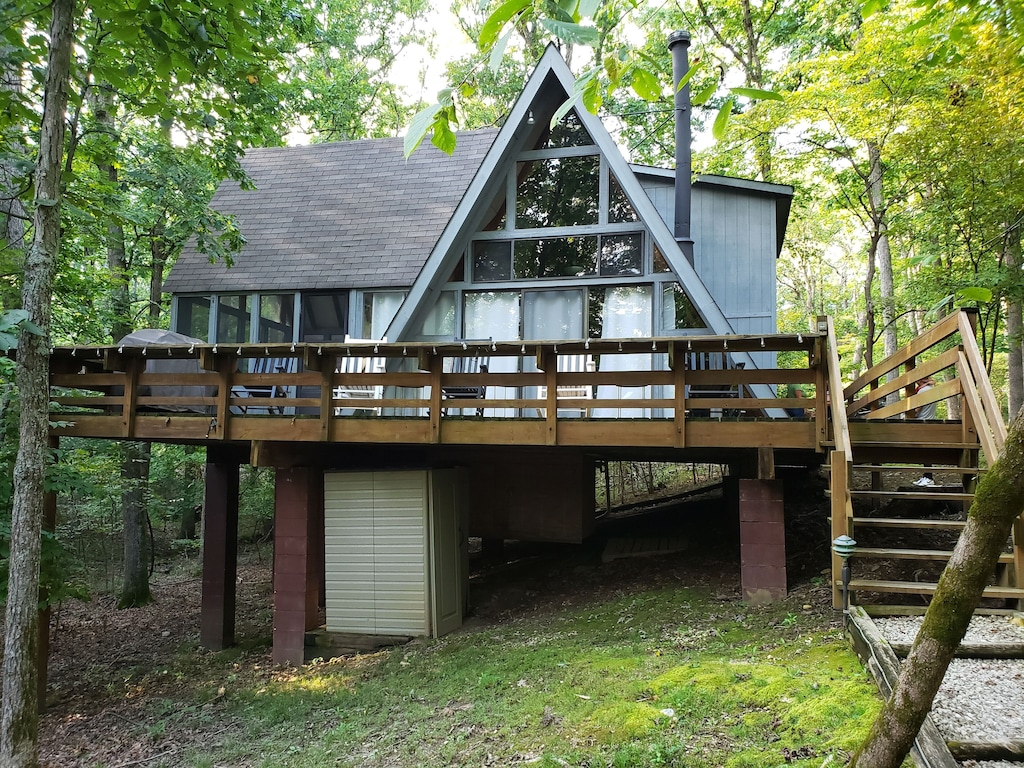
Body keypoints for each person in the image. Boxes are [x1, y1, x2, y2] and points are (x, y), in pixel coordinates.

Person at [913, 377, 937, 486]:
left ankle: (928, 478)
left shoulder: (922, 391)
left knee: (925, 451)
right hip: (930, 421)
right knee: (926, 450)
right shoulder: (932, 389)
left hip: (921, 422)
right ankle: (926, 476)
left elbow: (917, 409)